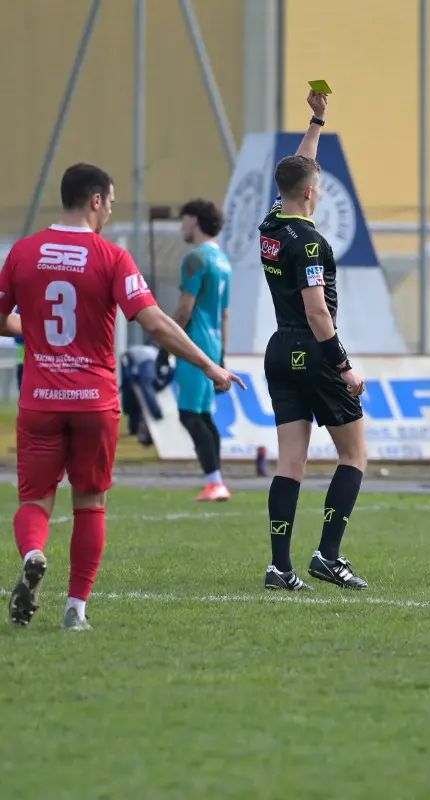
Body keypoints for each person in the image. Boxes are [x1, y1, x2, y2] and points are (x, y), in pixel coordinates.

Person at [1, 162, 243, 631]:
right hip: (94, 401)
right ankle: (76, 611)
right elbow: (154, 323)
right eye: (110, 202)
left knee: (34, 500)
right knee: (90, 504)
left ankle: (33, 553)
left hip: (40, 400)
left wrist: (33, 331)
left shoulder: (23, 254)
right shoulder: (110, 257)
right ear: (95, 200)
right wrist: (209, 364)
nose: (110, 211)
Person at [258, 88, 368, 593]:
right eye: (317, 187)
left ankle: (280, 567)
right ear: (310, 194)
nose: (318, 191)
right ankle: (327, 555)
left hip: (278, 349)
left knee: (291, 463)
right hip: (311, 349)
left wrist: (316, 122)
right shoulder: (311, 242)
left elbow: (297, 169)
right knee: (353, 456)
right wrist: (343, 365)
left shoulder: (272, 225)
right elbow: (317, 309)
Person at [169, 198, 233, 502]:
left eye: (183, 219)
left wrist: (163, 343)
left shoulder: (196, 258)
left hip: (193, 342)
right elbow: (224, 314)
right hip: (214, 344)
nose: (182, 226)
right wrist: (221, 357)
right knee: (203, 415)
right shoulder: (222, 260)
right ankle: (216, 481)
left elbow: (184, 309)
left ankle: (215, 482)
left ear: (194, 220)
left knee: (189, 415)